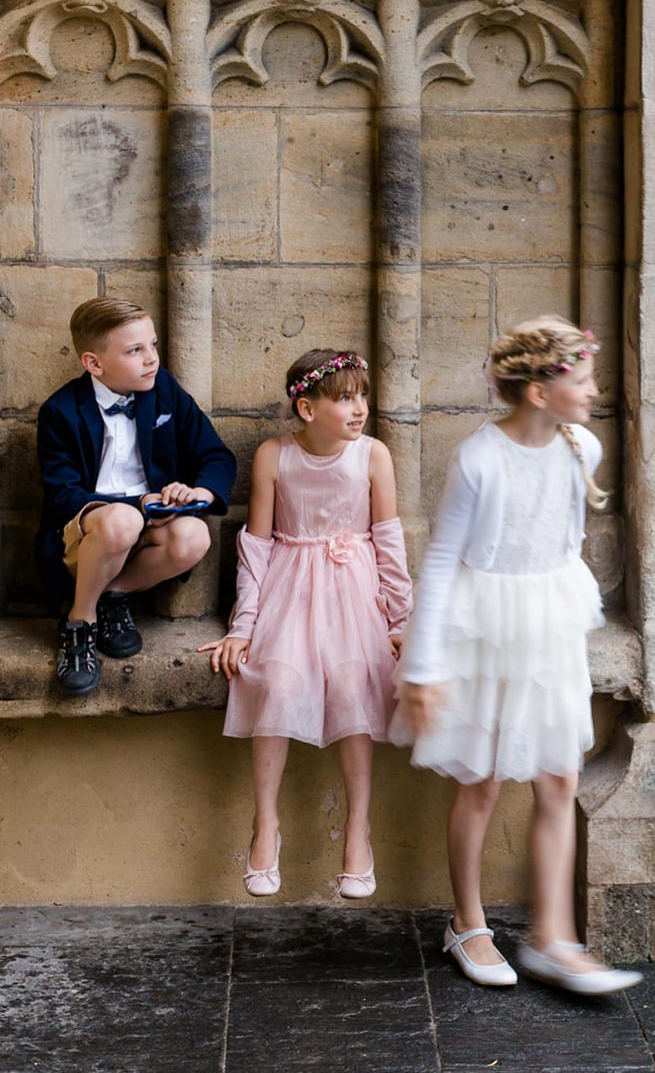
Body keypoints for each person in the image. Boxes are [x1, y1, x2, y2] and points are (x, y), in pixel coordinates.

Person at [393, 316, 641, 995]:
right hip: (485, 624)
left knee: (559, 778)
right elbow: (442, 560)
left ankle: (552, 938)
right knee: (482, 781)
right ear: (539, 391)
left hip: (548, 622)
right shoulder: (479, 458)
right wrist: (422, 665)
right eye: (582, 380)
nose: (593, 392)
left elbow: (564, 539)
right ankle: (467, 922)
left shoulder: (580, 449)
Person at [200, 349, 411, 898]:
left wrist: (400, 619)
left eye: (362, 395)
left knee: (352, 683)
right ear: (307, 407)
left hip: (353, 586)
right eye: (345, 398)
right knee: (279, 679)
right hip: (290, 585)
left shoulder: (373, 455)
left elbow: (388, 541)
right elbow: (257, 547)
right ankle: (265, 821)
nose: (359, 407)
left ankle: (358, 830)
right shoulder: (275, 456)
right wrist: (243, 625)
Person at [34, 297, 234, 697]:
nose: (152, 359)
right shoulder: (60, 410)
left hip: (148, 525)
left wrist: (198, 490)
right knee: (121, 522)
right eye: (135, 350)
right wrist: (137, 506)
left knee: (195, 534)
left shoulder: (164, 393)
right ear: (94, 363)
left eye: (153, 345)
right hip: (87, 533)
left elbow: (216, 455)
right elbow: (63, 494)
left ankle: (114, 593)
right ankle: (81, 621)